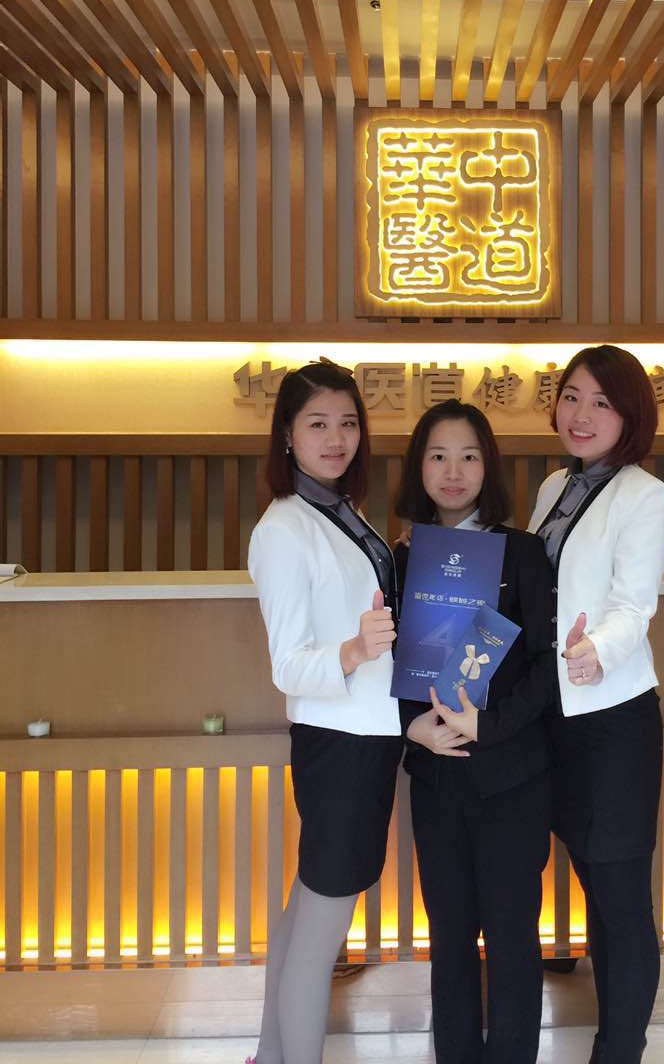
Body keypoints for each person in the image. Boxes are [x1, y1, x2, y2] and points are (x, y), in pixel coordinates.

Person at [246, 359, 403, 1064]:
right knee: (318, 937)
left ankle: (270, 1055)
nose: (336, 438)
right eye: (317, 424)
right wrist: (353, 650)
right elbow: (288, 666)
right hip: (340, 748)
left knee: (306, 914)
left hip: (363, 740)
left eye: (347, 423)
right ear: (287, 435)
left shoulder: (340, 511)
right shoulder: (284, 528)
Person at [395, 399, 557, 1064]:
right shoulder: (401, 559)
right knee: (450, 938)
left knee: (513, 938)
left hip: (513, 778)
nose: (453, 471)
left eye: (468, 456)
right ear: (419, 467)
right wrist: (412, 729)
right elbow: (386, 666)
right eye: (438, 456)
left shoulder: (523, 553)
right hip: (437, 779)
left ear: (487, 466)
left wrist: (487, 727)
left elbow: (546, 668)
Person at [528, 345, 664, 1064]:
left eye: (601, 402)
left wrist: (598, 650)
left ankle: (619, 1050)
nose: (580, 414)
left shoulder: (645, 496)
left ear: (630, 415)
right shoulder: (553, 486)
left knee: (619, 899)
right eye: (571, 396)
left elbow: (633, 605)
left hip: (612, 720)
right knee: (590, 879)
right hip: (552, 720)